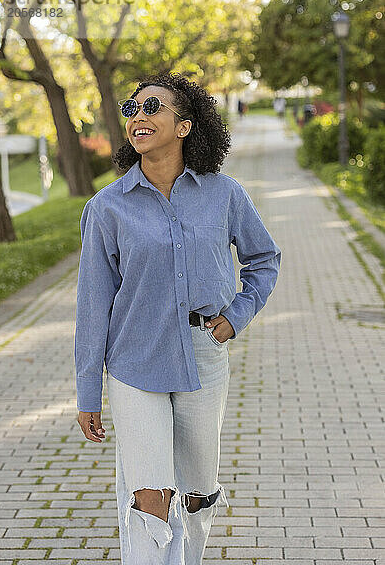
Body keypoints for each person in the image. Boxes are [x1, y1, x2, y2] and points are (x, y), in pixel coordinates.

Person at [74, 72, 281, 565]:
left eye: (152, 108)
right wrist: (88, 392)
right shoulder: (106, 208)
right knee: (151, 495)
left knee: (196, 490)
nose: (138, 118)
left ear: (185, 126)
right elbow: (92, 304)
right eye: (132, 110)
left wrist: (236, 314)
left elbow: (263, 259)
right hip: (134, 363)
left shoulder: (224, 194)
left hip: (203, 358)